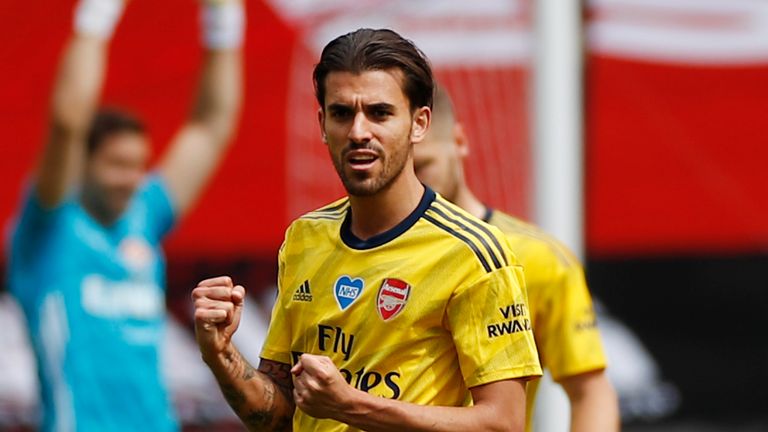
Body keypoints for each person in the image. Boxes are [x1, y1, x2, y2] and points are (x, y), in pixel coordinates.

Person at [192, 28, 542, 431]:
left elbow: (504, 423)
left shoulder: (473, 253)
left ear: (419, 124)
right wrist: (221, 355)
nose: (359, 131)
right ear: (323, 124)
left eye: (379, 113)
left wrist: (350, 404)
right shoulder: (304, 238)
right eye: (342, 113)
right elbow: (280, 415)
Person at [5, 0, 244, 430]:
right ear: (82, 164)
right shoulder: (50, 229)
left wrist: (223, 15)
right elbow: (67, 120)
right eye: (116, 164)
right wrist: (99, 14)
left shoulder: (144, 216)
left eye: (138, 165)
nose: (131, 179)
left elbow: (212, 125)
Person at [413, 86, 620, 432]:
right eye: (398, 171)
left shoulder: (536, 258)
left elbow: (590, 391)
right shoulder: (338, 249)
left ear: (459, 141)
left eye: (421, 167)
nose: (411, 188)